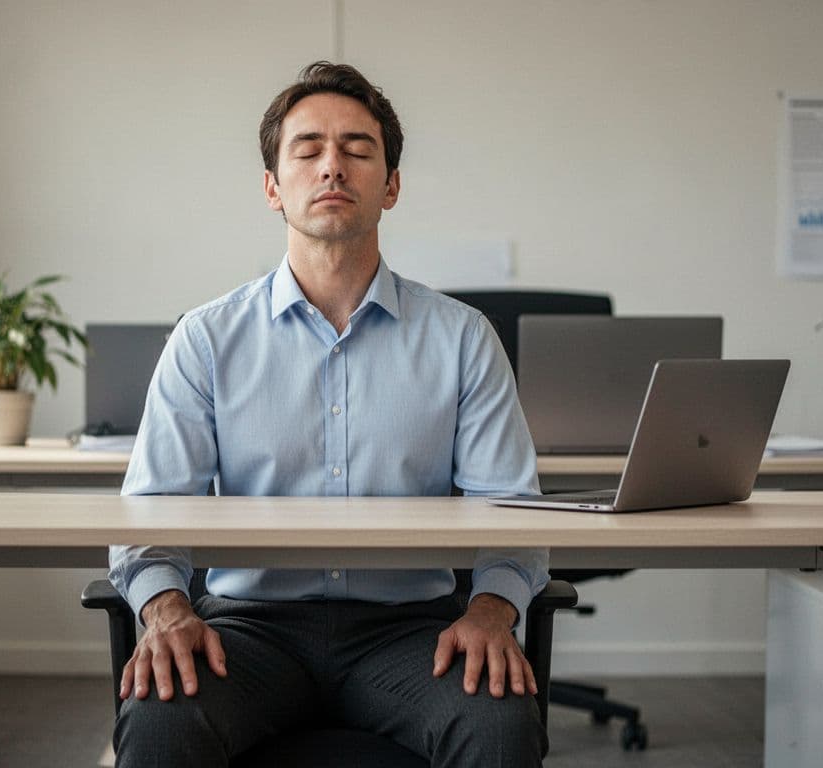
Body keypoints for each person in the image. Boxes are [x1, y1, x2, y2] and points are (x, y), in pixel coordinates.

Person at [109, 60, 548, 767]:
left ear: (392, 185)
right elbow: (150, 512)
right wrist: (165, 611)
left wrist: (492, 611)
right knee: (163, 719)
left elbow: (514, 512)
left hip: (409, 633)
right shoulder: (208, 337)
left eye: (358, 149)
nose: (332, 168)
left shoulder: (463, 337)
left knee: (497, 723)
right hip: (249, 631)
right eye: (307, 150)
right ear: (272, 188)